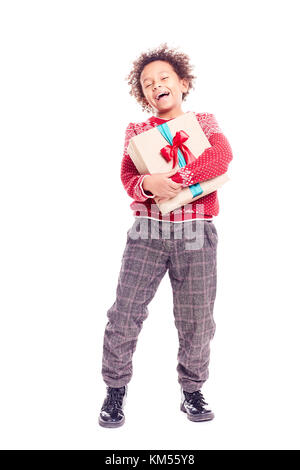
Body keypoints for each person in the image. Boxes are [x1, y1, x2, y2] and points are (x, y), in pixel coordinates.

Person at [98, 43, 233, 428]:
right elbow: (128, 178)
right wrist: (146, 183)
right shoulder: (138, 131)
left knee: (196, 318)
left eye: (164, 77)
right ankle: (115, 390)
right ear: (142, 95)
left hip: (196, 232)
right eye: (147, 82)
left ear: (183, 83)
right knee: (125, 312)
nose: (156, 84)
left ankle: (192, 390)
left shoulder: (204, 123)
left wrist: (172, 181)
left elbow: (219, 156)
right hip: (147, 232)